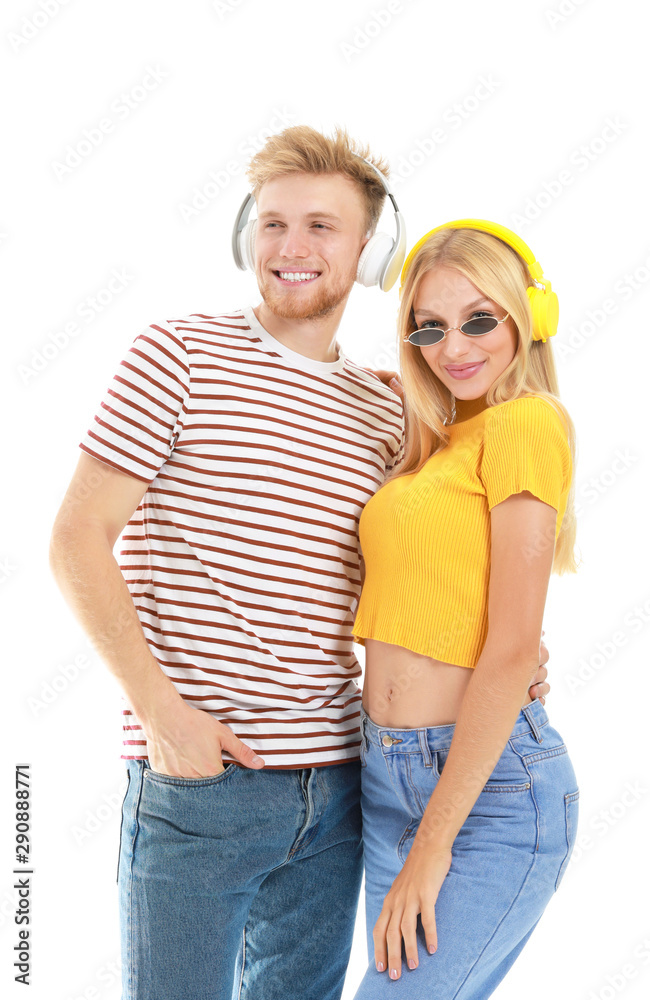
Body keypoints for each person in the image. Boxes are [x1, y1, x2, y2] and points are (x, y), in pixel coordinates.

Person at [48, 127, 550, 1000]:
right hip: (201, 784)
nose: (292, 248)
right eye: (274, 223)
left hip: (347, 786)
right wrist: (163, 716)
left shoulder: (390, 408)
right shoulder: (177, 354)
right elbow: (75, 540)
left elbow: (431, 559)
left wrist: (507, 660)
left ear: (369, 251)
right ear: (249, 236)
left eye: (322, 226)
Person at [351, 219, 580, 998]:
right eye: (431, 328)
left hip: (485, 797)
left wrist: (431, 848)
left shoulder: (526, 422)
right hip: (386, 779)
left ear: (528, 316)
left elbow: (514, 650)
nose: (455, 347)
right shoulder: (436, 449)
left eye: (480, 319)